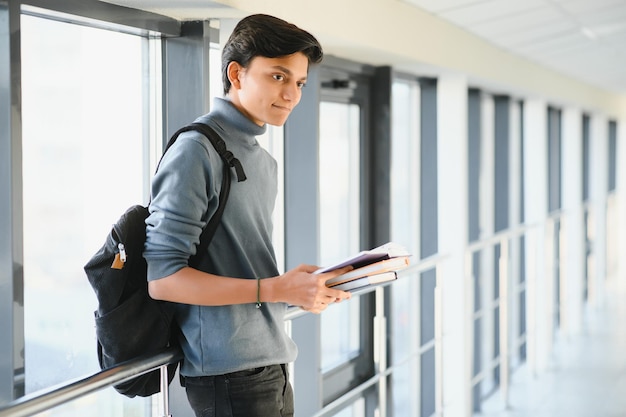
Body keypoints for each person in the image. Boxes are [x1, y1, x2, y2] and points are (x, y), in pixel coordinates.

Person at [143, 13, 352, 417]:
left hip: (269, 363)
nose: (292, 94)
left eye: (299, 83)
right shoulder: (197, 151)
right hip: (229, 375)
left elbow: (242, 264)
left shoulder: (261, 160)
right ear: (236, 74)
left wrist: (298, 286)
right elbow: (164, 280)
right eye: (278, 76)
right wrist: (276, 289)